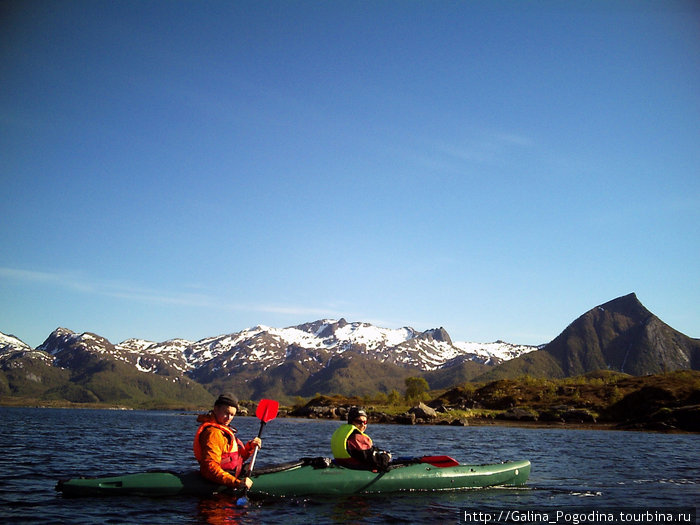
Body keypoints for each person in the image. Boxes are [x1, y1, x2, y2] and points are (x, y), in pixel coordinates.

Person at [193, 392, 262, 490]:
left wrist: (250, 447)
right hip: (223, 479)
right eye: (226, 413)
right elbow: (209, 468)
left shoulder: (223, 429)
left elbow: (234, 458)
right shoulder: (213, 433)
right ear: (216, 409)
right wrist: (237, 483)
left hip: (232, 473)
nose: (229, 418)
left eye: (232, 415)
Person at [331, 407, 392, 471]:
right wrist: (386, 457)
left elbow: (364, 453)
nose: (363, 424)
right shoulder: (357, 438)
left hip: (344, 465)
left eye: (365, 422)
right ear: (352, 422)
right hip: (355, 468)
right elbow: (377, 462)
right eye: (359, 421)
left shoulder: (343, 433)